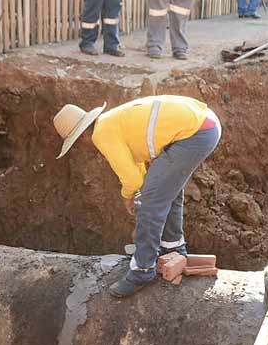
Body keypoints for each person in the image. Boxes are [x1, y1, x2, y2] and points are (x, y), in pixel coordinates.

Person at [54, 95, 220, 297]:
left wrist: (130, 195)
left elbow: (132, 180)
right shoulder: (112, 121)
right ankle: (173, 250)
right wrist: (135, 192)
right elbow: (138, 164)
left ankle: (142, 269)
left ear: (82, 136)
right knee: (166, 191)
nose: (82, 149)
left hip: (195, 133)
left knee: (150, 201)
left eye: (77, 144)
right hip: (203, 125)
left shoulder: (101, 134)